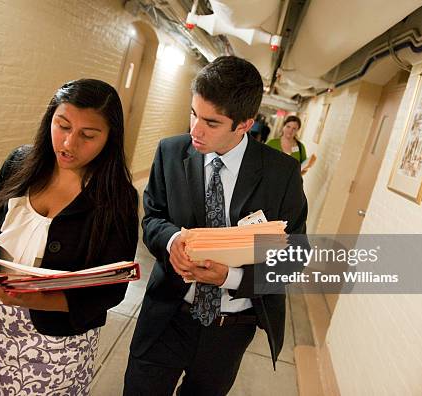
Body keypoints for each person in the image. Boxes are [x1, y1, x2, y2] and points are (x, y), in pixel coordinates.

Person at [0, 79, 139, 395]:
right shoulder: (21, 162)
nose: (69, 143)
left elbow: (111, 289)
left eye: (88, 135)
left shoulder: (116, 197)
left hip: (55, 348)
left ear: (110, 138)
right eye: (63, 126)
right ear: (50, 120)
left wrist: (36, 299)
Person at [124, 56, 308, 395]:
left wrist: (231, 277)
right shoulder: (170, 152)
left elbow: (294, 256)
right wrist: (172, 240)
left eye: (211, 122)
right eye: (193, 113)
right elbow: (152, 218)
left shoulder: (281, 175)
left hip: (229, 329)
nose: (195, 129)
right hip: (167, 315)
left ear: (244, 124)